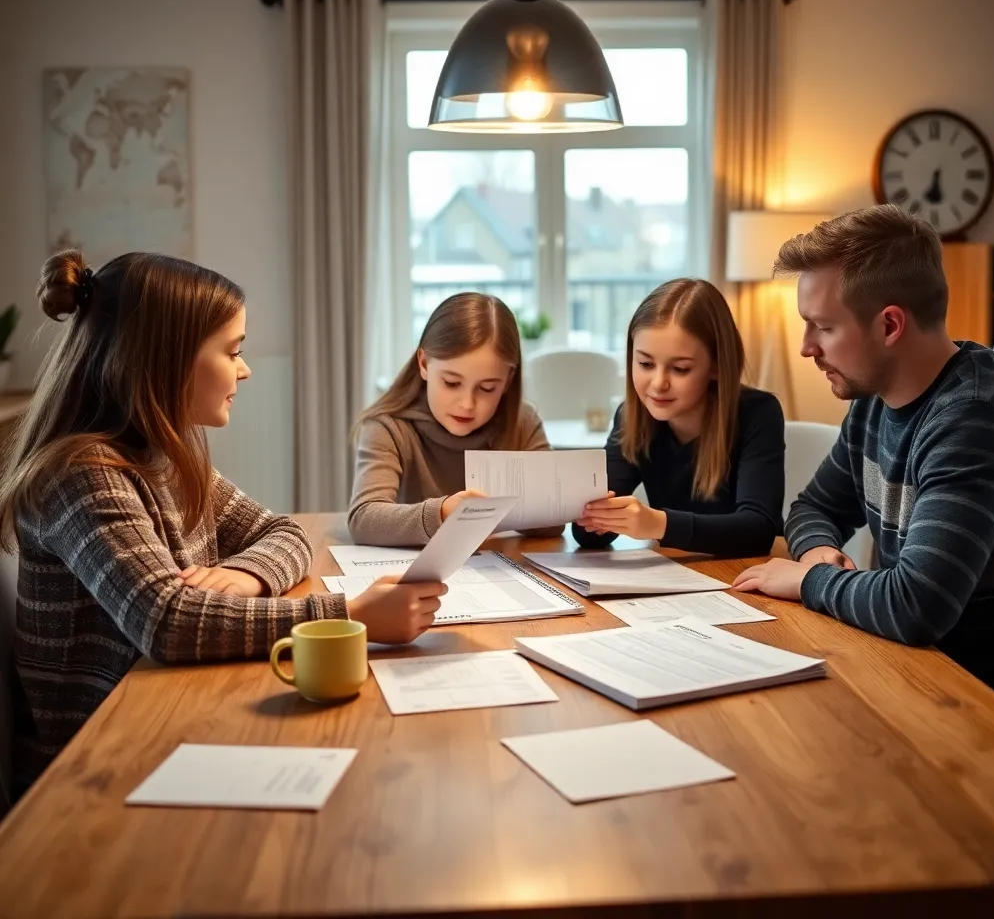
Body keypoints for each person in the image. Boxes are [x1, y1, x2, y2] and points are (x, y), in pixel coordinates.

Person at [0, 250, 443, 796]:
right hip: (92, 771)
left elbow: (285, 531)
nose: (246, 368)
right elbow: (169, 624)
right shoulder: (82, 476)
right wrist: (350, 618)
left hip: (160, 716)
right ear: (166, 359)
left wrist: (249, 575)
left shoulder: (166, 452)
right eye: (233, 351)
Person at [734, 205, 994, 707]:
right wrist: (818, 551)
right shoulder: (876, 400)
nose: (807, 347)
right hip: (913, 672)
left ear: (890, 324)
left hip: (983, 705)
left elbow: (915, 606)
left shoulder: (972, 422)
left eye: (822, 326)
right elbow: (812, 508)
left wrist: (809, 580)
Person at [573, 278, 784, 556]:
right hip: (673, 577)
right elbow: (590, 536)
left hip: (745, 579)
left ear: (718, 365)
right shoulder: (632, 416)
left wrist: (658, 524)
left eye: (680, 369)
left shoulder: (758, 413)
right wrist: (593, 519)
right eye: (646, 364)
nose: (658, 383)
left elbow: (758, 531)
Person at [349, 292, 562, 546]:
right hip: (412, 577)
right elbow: (364, 519)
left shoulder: (522, 421)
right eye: (451, 383)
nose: (467, 404)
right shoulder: (388, 426)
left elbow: (553, 519)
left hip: (499, 571)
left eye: (487, 388)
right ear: (424, 363)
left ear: (508, 379)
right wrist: (442, 512)